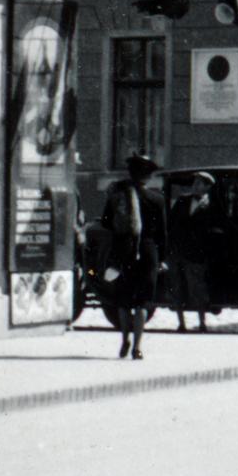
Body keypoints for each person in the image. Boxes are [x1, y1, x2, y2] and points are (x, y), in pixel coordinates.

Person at [100, 153, 168, 359]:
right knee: (142, 302)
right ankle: (137, 347)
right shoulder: (157, 200)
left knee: (123, 300)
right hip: (147, 253)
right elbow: (162, 233)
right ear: (148, 177)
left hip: (123, 252)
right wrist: (162, 258)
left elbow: (105, 223)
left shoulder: (117, 197)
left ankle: (125, 339)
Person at [168, 171, 219, 331]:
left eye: (199, 183)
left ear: (208, 187)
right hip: (177, 252)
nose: (195, 186)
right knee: (177, 287)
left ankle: (202, 323)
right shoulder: (182, 201)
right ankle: (181, 323)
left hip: (196, 254)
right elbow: (170, 223)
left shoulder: (212, 206)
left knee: (197, 288)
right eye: (195, 183)